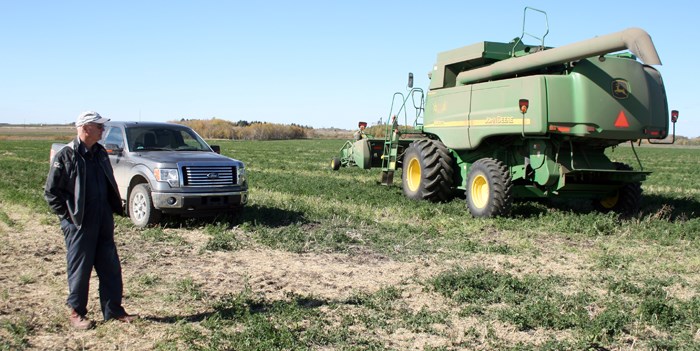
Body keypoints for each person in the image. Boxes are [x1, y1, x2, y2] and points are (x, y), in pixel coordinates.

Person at [44, 111, 138, 329]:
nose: (103, 130)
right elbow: (51, 193)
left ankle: (113, 310)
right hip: (79, 223)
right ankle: (77, 313)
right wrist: (69, 219)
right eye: (99, 126)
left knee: (110, 266)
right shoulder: (67, 155)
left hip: (103, 219)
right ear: (86, 128)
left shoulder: (100, 153)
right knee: (80, 268)